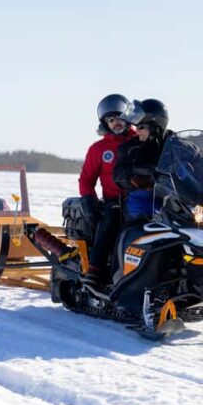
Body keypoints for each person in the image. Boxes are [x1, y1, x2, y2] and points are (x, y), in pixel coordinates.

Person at [79, 94, 137, 287]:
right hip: (115, 202)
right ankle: (95, 271)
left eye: (119, 117)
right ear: (105, 123)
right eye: (111, 120)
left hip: (143, 199)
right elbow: (86, 180)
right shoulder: (98, 149)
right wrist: (89, 202)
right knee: (110, 223)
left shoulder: (140, 140)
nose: (116, 123)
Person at [114, 99, 171, 222]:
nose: (137, 131)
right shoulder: (130, 148)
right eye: (136, 127)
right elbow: (118, 172)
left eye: (141, 127)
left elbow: (198, 160)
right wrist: (132, 178)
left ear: (156, 126)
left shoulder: (176, 144)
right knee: (136, 221)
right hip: (141, 199)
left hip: (173, 199)